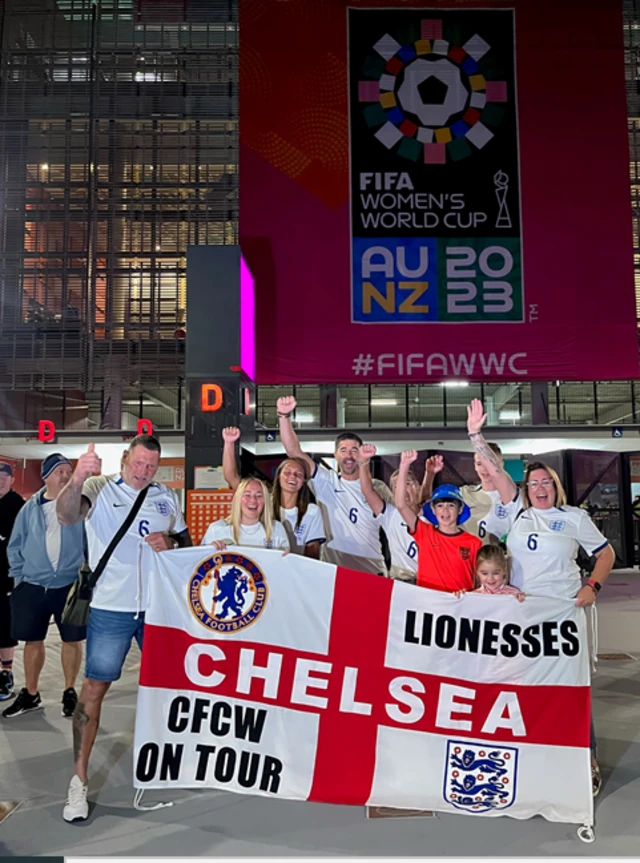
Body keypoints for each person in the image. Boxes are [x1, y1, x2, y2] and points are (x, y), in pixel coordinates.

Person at [55, 434, 192, 823]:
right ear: (125, 460)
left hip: (158, 609)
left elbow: (184, 540)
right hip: (111, 608)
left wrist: (172, 542)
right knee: (95, 687)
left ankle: (172, 760)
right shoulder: (98, 488)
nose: (145, 472)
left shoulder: (166, 496)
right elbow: (67, 515)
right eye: (139, 464)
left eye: (152, 466)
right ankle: (78, 781)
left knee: (173, 683)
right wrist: (77, 477)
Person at [3, 455, 86, 719]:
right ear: (46, 476)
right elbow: (15, 544)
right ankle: (31, 692)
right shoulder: (30, 508)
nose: (64, 475)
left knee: (72, 639)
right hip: (33, 584)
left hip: (69, 584)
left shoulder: (80, 505)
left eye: (68, 471)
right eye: (59, 471)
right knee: (32, 639)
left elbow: (91, 542)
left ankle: (70, 691)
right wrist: (20, 579)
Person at [276, 395, 389, 575]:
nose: (349, 456)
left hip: (373, 568)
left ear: (362, 455)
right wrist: (284, 416)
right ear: (335, 456)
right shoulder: (326, 481)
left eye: (354, 450)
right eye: (343, 450)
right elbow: (293, 451)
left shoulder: (378, 487)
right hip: (334, 569)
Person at [221, 426, 325, 557]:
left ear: (303, 481)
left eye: (298, 474)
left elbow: (312, 551)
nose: (292, 477)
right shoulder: (264, 501)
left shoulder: (312, 511)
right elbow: (232, 478)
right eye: (287, 472)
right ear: (278, 476)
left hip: (294, 570)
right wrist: (229, 443)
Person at [394, 451, 482, 593]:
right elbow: (401, 505)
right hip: (428, 607)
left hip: (460, 608)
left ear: (460, 510)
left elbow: (480, 582)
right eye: (440, 506)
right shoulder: (424, 533)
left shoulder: (474, 543)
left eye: (451, 505)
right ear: (433, 510)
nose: (445, 511)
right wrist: (404, 466)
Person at [358, 443, 422, 583]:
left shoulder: (434, 515)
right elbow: (367, 491)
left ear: (418, 487)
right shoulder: (390, 514)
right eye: (397, 486)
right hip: (401, 580)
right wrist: (363, 462)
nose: (403, 489)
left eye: (407, 484)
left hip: (429, 581)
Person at [202, 476, 289, 551]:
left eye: (259, 496)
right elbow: (199, 565)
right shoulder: (216, 529)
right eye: (247, 495)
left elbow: (285, 567)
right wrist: (209, 552)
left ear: (265, 501)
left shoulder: (276, 529)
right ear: (238, 499)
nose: (253, 500)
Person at [0, 463, 25, 701]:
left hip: (8, 579)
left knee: (5, 630)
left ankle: (5, 673)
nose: (0, 481)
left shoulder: (19, 507)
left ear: (11, 479)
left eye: (4, 477)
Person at [455, 545, 525, 601]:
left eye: (496, 573)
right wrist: (458, 599)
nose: (490, 578)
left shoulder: (514, 594)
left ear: (504, 570)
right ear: (477, 571)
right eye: (485, 573)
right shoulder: (472, 595)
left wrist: (522, 601)